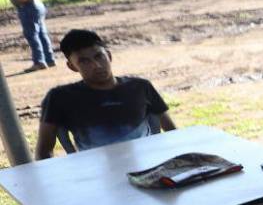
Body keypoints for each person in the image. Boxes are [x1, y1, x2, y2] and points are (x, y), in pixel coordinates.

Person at [35, 29, 175, 159]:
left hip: (149, 164)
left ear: (108, 55)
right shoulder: (60, 97)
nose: (96, 65)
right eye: (84, 61)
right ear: (72, 66)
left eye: (99, 56)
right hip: (95, 173)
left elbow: (172, 132)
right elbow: (44, 152)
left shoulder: (140, 87)